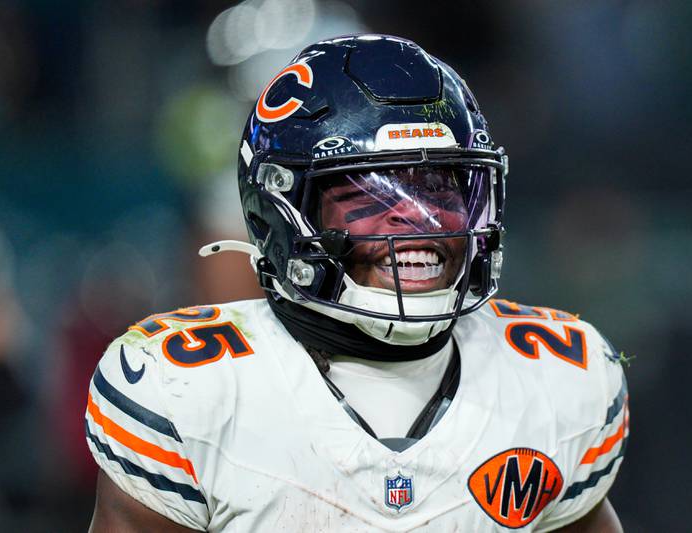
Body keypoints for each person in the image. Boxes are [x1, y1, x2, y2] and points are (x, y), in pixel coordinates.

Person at [86, 34, 628, 532]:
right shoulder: (186, 394)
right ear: (284, 211)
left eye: (440, 188)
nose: (418, 219)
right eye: (371, 193)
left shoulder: (558, 383)